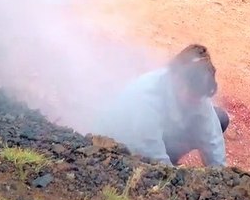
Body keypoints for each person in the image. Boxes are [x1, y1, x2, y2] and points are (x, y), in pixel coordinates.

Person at [92, 43, 229, 167]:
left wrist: (220, 178)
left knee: (219, 118)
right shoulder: (147, 97)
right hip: (122, 146)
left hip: (158, 135)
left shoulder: (196, 90)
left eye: (200, 97)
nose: (197, 102)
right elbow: (148, 147)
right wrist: (172, 178)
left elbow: (212, 139)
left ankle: (169, 162)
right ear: (177, 79)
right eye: (192, 96)